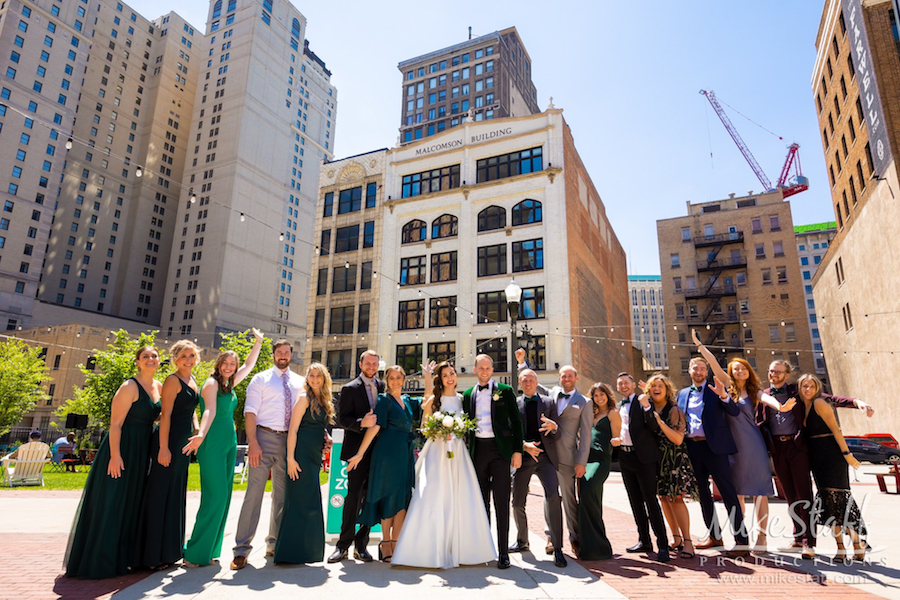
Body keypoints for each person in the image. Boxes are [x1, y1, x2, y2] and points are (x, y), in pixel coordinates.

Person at [758, 360, 872, 559]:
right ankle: (797, 536)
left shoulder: (798, 390)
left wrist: (857, 402)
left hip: (798, 447)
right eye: (770, 371)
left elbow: (831, 398)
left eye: (778, 371)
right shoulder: (764, 395)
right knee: (789, 495)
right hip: (777, 450)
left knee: (804, 495)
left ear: (787, 374)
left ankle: (808, 542)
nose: (773, 374)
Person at [692, 331, 794, 555]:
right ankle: (741, 536)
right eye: (735, 369)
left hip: (753, 445)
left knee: (759, 492)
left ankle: (762, 537)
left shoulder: (754, 391)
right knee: (735, 492)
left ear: (749, 372)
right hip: (731, 448)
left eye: (743, 368)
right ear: (731, 373)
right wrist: (700, 345)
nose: (739, 371)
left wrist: (781, 407)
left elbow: (768, 399)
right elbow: (713, 363)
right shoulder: (726, 387)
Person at [65, 346, 163, 579]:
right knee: (112, 502)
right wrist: (115, 455)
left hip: (142, 450)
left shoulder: (159, 387)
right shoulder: (129, 386)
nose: (151, 359)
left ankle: (125, 558)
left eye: (154, 356)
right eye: (145, 357)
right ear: (137, 362)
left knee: (131, 502)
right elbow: (115, 424)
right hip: (122, 448)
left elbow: (158, 416)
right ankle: (101, 560)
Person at [393, 361, 496, 568]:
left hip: (458, 453)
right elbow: (424, 428)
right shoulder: (433, 400)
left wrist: (457, 431)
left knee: (461, 496)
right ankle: (427, 550)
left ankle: (465, 550)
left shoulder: (462, 400)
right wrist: (440, 431)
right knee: (433, 494)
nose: (451, 377)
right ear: (441, 379)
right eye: (447, 374)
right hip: (437, 452)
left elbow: (468, 426)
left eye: (453, 373)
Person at [182, 329, 264, 567]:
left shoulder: (229, 384)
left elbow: (249, 365)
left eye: (232, 364)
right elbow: (209, 411)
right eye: (225, 363)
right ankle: (195, 553)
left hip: (228, 444)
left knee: (224, 497)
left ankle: (209, 550)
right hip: (212, 443)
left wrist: (258, 342)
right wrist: (200, 435)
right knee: (214, 497)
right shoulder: (211, 384)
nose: (229, 366)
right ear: (218, 364)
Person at [231, 339, 305, 570]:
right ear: (273, 355)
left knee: (282, 497)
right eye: (279, 352)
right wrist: (252, 443)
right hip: (262, 439)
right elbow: (250, 412)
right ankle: (241, 550)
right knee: (253, 495)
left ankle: (274, 544)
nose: (282, 355)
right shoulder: (260, 379)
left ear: (291, 355)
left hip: (288, 442)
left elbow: (305, 412)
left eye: (286, 352)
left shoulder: (300, 382)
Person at [348, 363, 432, 562]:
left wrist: (428, 376)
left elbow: (428, 400)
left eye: (398, 377)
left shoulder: (407, 400)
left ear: (404, 379)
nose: (395, 381)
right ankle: (385, 543)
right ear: (387, 381)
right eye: (392, 377)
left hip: (404, 452)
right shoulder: (384, 400)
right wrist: (360, 453)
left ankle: (397, 542)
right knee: (388, 496)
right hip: (386, 454)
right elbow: (375, 427)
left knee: (402, 496)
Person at [135, 340, 201, 570]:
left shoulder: (192, 380)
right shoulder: (173, 380)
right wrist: (163, 448)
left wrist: (198, 430)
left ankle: (169, 552)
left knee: (174, 494)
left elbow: (191, 411)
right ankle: (151, 556)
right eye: (184, 356)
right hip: (169, 442)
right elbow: (166, 415)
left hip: (184, 445)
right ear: (175, 359)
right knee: (160, 495)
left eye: (192, 355)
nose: (188, 360)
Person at [676, 355, 749, 557]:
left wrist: (724, 396)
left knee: (728, 495)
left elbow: (734, 412)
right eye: (694, 368)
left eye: (702, 369)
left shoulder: (715, 390)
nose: (698, 372)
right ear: (689, 371)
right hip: (692, 448)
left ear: (706, 372)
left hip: (715, 448)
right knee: (703, 496)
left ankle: (742, 542)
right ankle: (714, 537)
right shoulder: (681, 394)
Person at [462, 354, 523, 570]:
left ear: (492, 369)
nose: (485, 371)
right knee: (481, 503)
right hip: (478, 451)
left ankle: (503, 552)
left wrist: (517, 450)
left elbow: (516, 422)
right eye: (481, 368)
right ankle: (484, 548)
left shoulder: (505, 392)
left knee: (501, 501)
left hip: (500, 452)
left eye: (488, 367)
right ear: (475, 369)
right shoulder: (468, 394)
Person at [798, 373, 867, 561]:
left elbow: (836, 429)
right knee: (827, 503)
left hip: (833, 456)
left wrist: (847, 454)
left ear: (817, 388)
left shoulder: (819, 403)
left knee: (840, 502)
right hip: (816, 459)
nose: (808, 390)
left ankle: (854, 544)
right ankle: (844, 547)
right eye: (805, 386)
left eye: (812, 386)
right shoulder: (801, 405)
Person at [274, 363, 335, 564]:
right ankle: (290, 553)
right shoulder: (303, 398)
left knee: (310, 500)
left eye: (318, 376)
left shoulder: (323, 399)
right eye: (311, 375)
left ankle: (309, 552)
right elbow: (293, 430)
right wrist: (290, 458)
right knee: (298, 501)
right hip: (300, 455)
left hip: (314, 455)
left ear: (324, 378)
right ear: (307, 378)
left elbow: (318, 425)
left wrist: (326, 437)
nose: (315, 379)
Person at [329, 350, 384, 563]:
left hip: (377, 452)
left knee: (369, 499)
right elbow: (343, 419)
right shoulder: (349, 388)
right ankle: (342, 546)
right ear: (361, 364)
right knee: (352, 498)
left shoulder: (382, 387)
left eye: (374, 364)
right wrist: (361, 423)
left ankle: (362, 546)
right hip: (355, 453)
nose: (371, 367)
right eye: (368, 363)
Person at [510, 368, 566, 568]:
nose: (528, 383)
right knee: (517, 502)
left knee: (553, 496)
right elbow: (509, 432)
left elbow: (558, 433)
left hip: (545, 458)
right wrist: (525, 445)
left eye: (531, 379)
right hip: (523, 457)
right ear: (520, 383)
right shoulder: (514, 404)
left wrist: (555, 428)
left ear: (536, 382)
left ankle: (558, 549)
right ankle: (522, 541)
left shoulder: (549, 403)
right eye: (524, 380)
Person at [616, 372, 670, 562]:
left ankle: (663, 545)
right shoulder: (618, 406)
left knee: (650, 501)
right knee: (635, 501)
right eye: (620, 383)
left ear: (632, 385)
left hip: (644, 459)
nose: (623, 386)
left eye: (626, 383)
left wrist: (647, 406)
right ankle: (644, 540)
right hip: (624, 456)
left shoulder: (643, 401)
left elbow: (654, 427)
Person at [647, 374, 699, 559]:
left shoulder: (674, 409)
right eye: (653, 385)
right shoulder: (648, 408)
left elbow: (678, 439)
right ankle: (676, 538)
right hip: (657, 459)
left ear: (666, 389)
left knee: (676, 499)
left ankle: (688, 542)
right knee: (663, 498)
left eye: (660, 385)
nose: (656, 388)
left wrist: (660, 423)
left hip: (674, 458)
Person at [547, 365, 592, 557]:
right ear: (559, 378)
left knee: (569, 499)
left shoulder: (584, 402)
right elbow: (533, 384)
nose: (566, 379)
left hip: (567, 457)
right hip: (549, 454)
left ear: (576, 378)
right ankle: (550, 536)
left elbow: (587, 434)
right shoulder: (553, 393)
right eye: (563, 376)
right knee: (549, 496)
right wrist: (522, 363)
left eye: (570, 376)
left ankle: (575, 537)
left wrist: (581, 461)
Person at [578, 382, 622, 561]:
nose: (599, 398)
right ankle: (591, 547)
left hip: (601, 460)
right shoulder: (590, 413)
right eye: (595, 396)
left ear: (608, 395)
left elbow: (617, 435)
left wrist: (618, 440)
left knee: (588, 493)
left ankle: (600, 546)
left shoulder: (613, 413)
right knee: (586, 499)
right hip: (584, 460)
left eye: (601, 394)